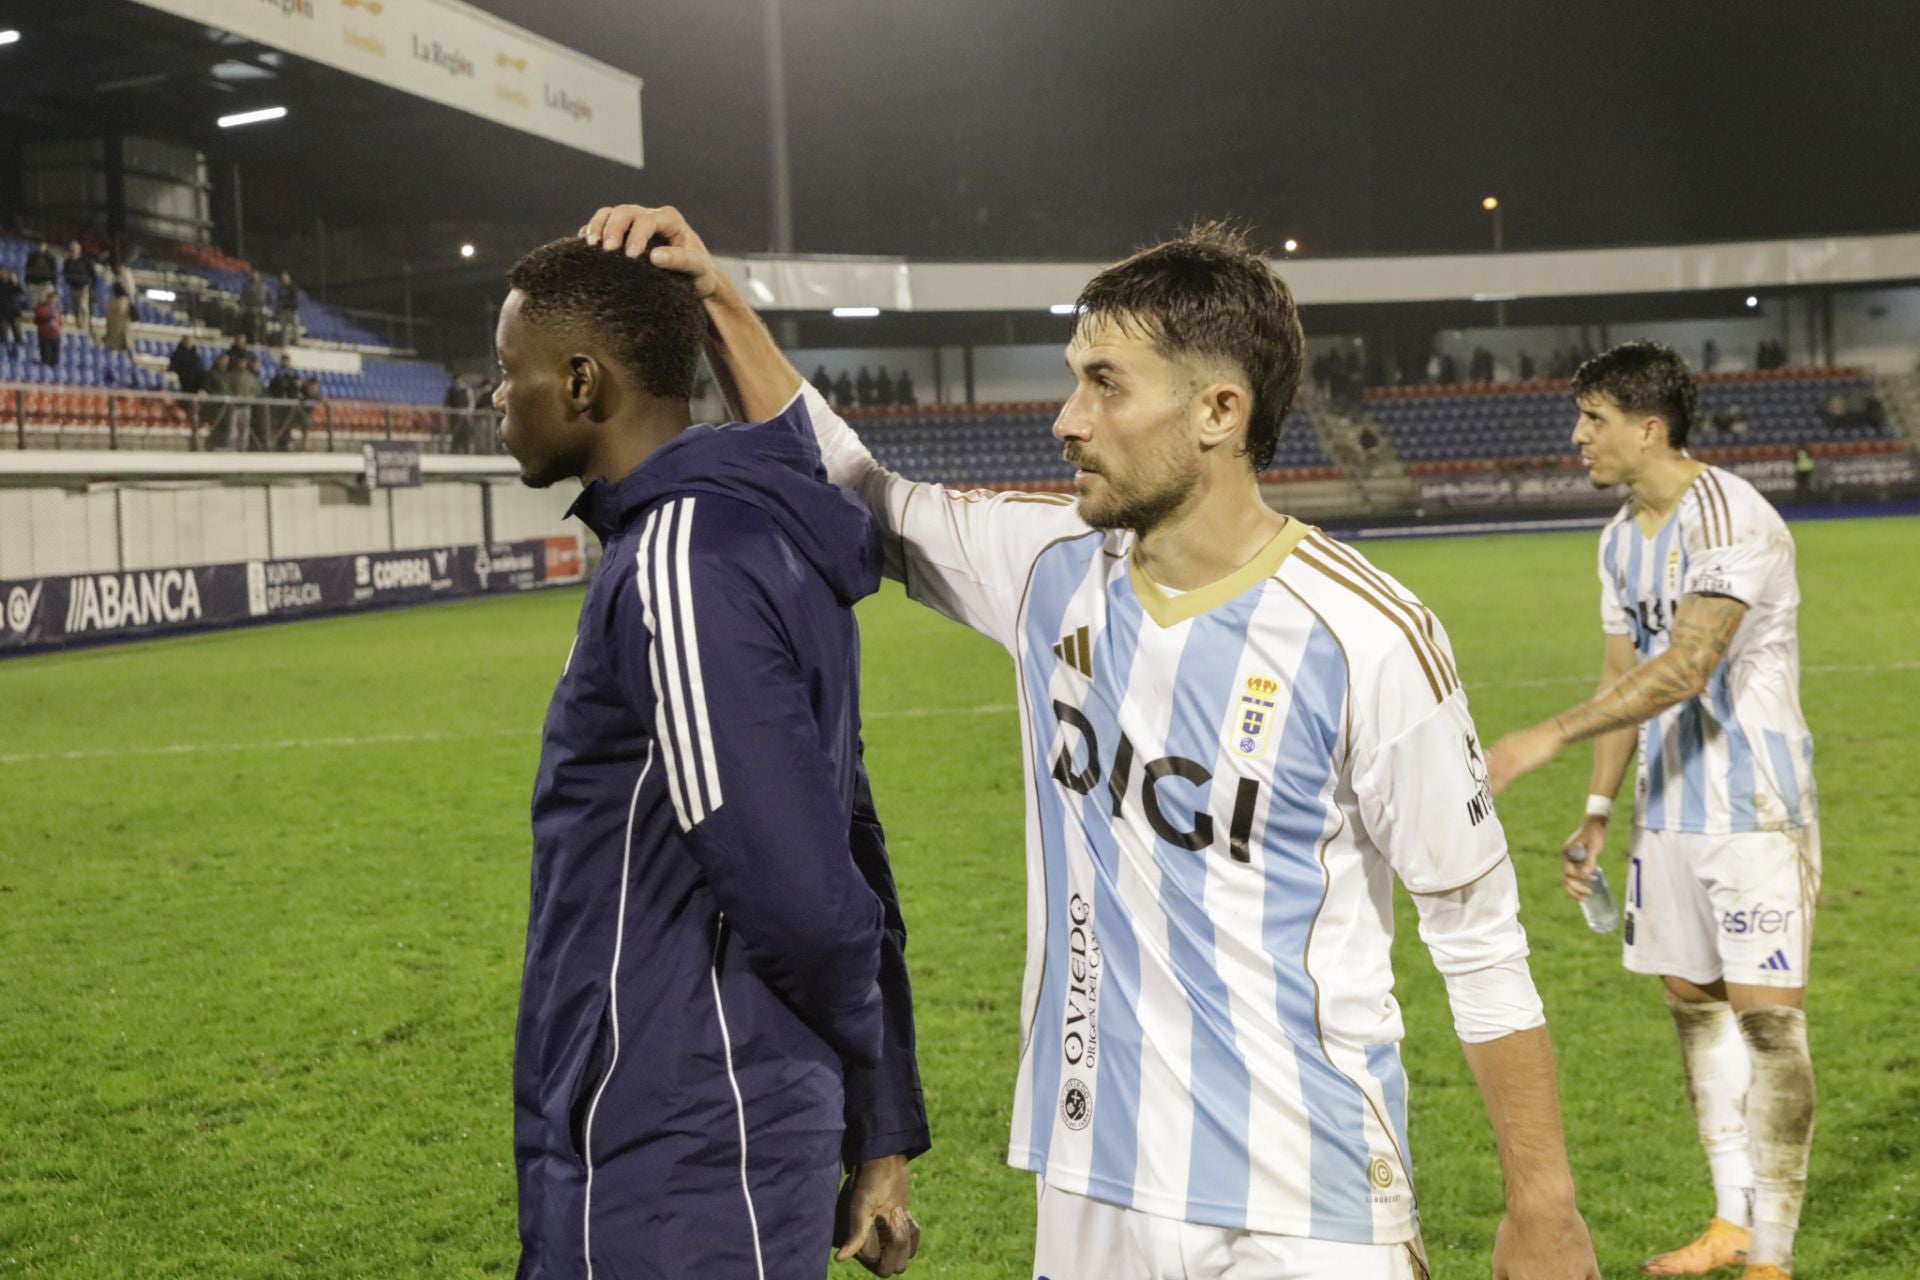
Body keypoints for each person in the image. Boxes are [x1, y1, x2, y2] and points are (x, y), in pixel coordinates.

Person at [590, 203, 1602, 1280]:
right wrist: (714, 297)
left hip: (1304, 1202)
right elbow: (856, 485)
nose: (1068, 417)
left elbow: (1480, 936)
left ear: (1219, 409)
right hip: (1091, 1180)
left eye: (1106, 384)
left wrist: (1541, 1200)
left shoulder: (1367, 636)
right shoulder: (1050, 568)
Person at [493, 236, 928, 1280]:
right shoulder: (739, 530)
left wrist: (872, 1108)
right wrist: (879, 1118)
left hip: (677, 1140)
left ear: (583, 380)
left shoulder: (683, 556)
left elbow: (808, 896)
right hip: (723, 1123)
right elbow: (848, 841)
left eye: (509, 372)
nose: (496, 400)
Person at [1486, 342, 1818, 1280]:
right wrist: (1596, 806)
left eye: (1593, 418)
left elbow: (1688, 665)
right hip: (1665, 812)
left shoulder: (1729, 517)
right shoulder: (1617, 536)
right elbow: (1624, 672)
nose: (1577, 437)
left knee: (1768, 1027)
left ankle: (1774, 1257)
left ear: (1648, 427)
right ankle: (1730, 1223)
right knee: (1694, 1011)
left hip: (1754, 806)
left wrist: (1545, 736)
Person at [63, 242, 96, 335]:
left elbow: (92, 274)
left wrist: (91, 285)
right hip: (73, 287)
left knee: (83, 306)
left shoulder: (85, 261)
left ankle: (84, 327)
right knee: (76, 307)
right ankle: (78, 324)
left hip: (83, 287)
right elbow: (65, 274)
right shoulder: (68, 262)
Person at [103, 284, 134, 356]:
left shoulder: (111, 301)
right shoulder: (126, 301)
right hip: (122, 331)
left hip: (115, 331)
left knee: (115, 351)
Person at [33, 291, 61, 369]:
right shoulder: (41, 307)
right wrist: (49, 317)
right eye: (51, 298)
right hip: (45, 335)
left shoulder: (57, 308)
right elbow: (39, 317)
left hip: (55, 335)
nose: (53, 300)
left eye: (55, 299)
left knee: (55, 358)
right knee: (46, 357)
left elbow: (60, 321)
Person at [241, 271, 269, 345]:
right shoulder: (247, 285)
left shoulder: (264, 286)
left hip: (261, 309)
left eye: (256, 274)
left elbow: (268, 298)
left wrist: (265, 305)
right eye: (253, 274)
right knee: (251, 326)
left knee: (261, 326)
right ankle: (251, 340)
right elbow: (243, 296)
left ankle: (262, 341)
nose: (255, 275)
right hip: (250, 308)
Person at [0, 268, 24, 348]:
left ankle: (18, 351)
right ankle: (3, 353)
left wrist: (15, 281)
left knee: (18, 334)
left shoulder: (13, 284)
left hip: (14, 312)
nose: (3, 274)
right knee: (3, 335)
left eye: (4, 272)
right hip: (2, 313)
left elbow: (21, 291)